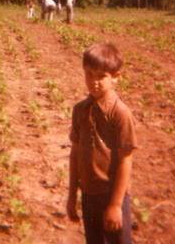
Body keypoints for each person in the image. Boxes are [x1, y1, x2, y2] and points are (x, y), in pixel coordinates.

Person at [67, 43, 137, 244]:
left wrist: (115, 205)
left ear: (116, 77)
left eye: (101, 76)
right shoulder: (80, 110)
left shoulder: (120, 114)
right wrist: (72, 196)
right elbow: (75, 153)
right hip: (88, 195)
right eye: (89, 74)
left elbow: (126, 160)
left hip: (112, 194)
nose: (94, 82)